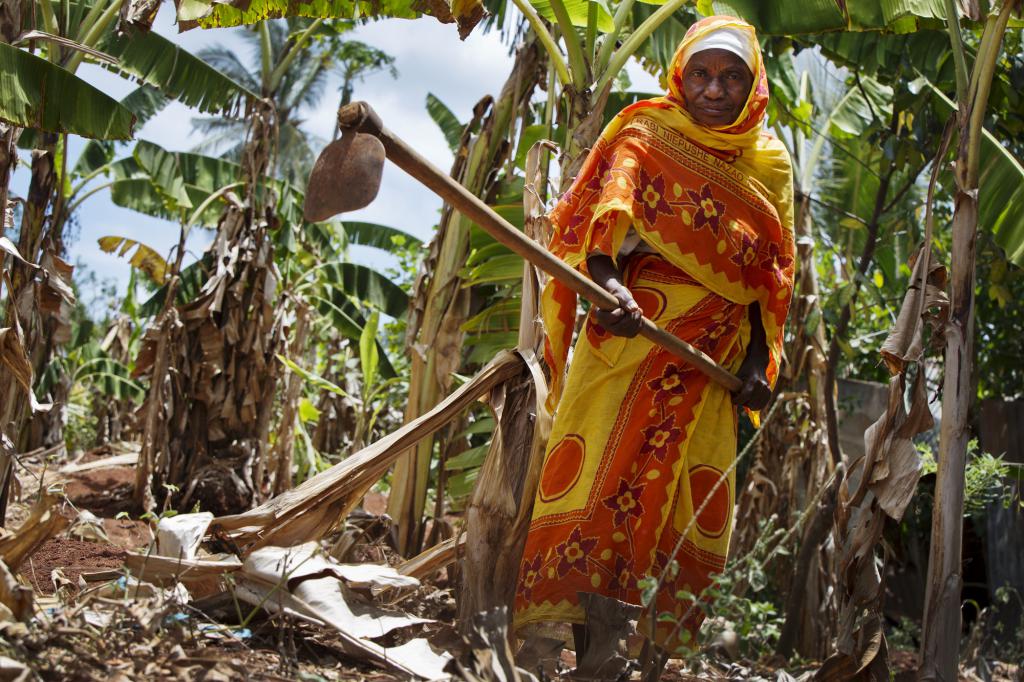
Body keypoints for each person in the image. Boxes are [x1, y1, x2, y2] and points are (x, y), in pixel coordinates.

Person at [512, 15, 795, 655]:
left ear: (753, 87)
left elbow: (772, 278)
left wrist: (757, 363)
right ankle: (564, 646)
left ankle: (637, 656)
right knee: (596, 481)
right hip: (630, 333)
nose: (715, 90)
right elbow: (600, 227)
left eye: (731, 78)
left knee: (672, 503)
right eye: (702, 74)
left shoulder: (771, 167)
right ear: (680, 76)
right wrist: (610, 285)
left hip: (709, 363)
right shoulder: (646, 132)